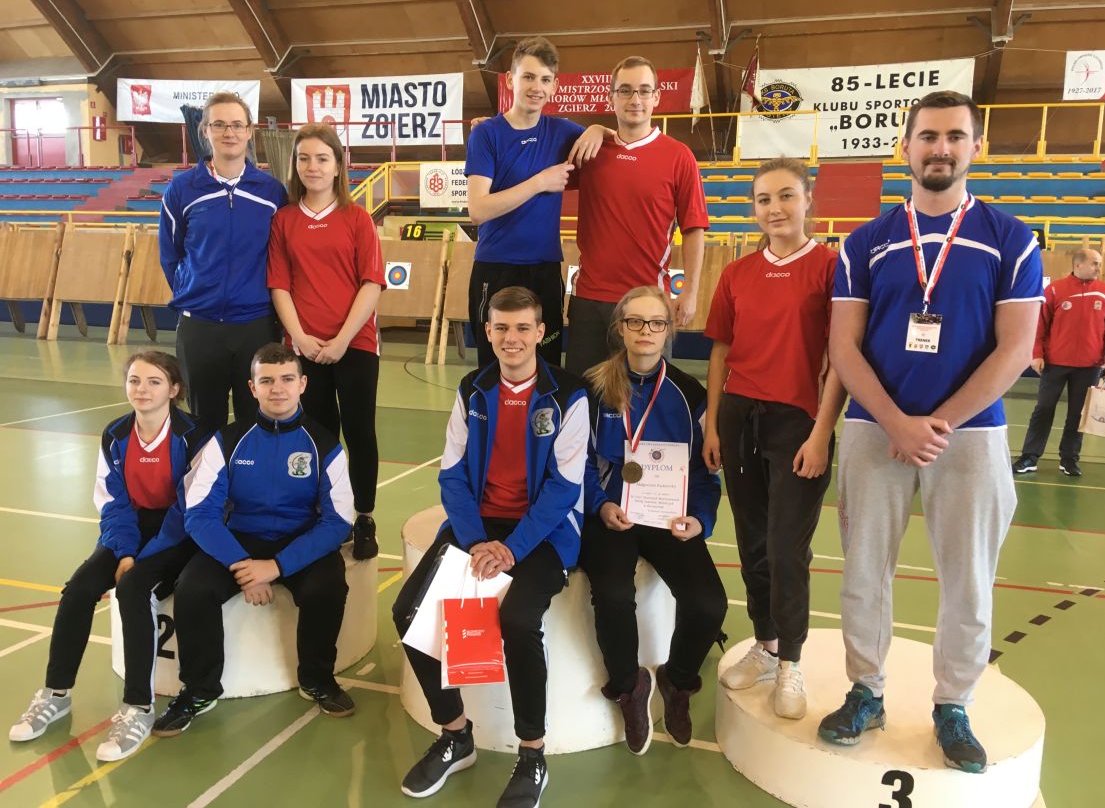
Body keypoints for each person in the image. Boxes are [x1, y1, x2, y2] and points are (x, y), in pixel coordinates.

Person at [823, 91, 1043, 773]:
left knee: (969, 579)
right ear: (905, 148)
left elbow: (1015, 349)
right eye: (927, 136)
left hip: (970, 435)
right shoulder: (865, 242)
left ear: (975, 146)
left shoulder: (1011, 238)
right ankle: (865, 691)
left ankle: (953, 703)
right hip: (873, 426)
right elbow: (842, 346)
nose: (939, 148)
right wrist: (895, 420)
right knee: (864, 572)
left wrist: (936, 424)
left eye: (953, 136)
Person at [392, 287, 588, 807]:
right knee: (408, 612)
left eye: (523, 328)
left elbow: (564, 488)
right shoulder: (472, 389)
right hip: (479, 526)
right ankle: (456, 734)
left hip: (544, 531)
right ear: (487, 332)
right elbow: (452, 475)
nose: (511, 338)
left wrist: (511, 549)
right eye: (501, 328)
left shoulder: (569, 395)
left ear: (541, 332)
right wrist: (478, 540)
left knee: (518, 620)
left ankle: (532, 753)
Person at [702, 157, 846, 719]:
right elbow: (720, 352)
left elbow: (840, 358)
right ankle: (764, 645)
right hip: (740, 417)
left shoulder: (831, 268)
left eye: (786, 196)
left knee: (788, 548)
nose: (775, 208)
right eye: (764, 199)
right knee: (753, 544)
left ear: (808, 200)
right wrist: (714, 422)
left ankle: (791, 660)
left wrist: (821, 432)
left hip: (799, 424)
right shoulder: (737, 274)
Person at [152, 343, 356, 736]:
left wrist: (276, 567)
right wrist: (242, 565)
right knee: (192, 588)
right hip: (240, 539)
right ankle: (199, 690)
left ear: (302, 384)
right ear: (252, 387)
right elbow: (199, 514)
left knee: (327, 587)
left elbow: (337, 522)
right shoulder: (227, 441)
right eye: (267, 381)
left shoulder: (325, 445)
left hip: (300, 539)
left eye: (286, 379)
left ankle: (317, 679)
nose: (277, 389)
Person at [9, 352, 204, 761]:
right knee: (78, 589)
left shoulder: (193, 436)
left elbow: (189, 508)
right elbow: (113, 502)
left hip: (178, 534)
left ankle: (138, 707)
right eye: (134, 380)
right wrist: (126, 550)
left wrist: (141, 559)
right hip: (129, 529)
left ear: (174, 389)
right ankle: (56, 693)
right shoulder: (115, 434)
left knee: (133, 588)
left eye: (154, 381)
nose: (142, 390)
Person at [580, 286, 725, 754]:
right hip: (611, 515)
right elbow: (576, 463)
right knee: (613, 594)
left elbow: (704, 472)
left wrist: (699, 519)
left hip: (668, 516)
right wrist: (600, 504)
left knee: (708, 604)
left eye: (656, 322)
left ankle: (677, 681)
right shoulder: (591, 388)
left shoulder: (690, 394)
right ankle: (629, 686)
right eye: (635, 321)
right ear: (620, 328)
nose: (646, 331)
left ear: (669, 330)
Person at [269, 123, 386, 559]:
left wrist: (341, 339)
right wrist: (300, 338)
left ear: (338, 166)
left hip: (355, 344)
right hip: (305, 349)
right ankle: (327, 515)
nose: (312, 167)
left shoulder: (357, 219)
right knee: (317, 435)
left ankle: (364, 517)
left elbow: (371, 283)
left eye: (322, 158)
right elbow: (279, 285)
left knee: (359, 431)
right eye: (304, 158)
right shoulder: (284, 220)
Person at [466, 36, 606, 368]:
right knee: (494, 368)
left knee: (547, 367)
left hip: (544, 270)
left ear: (554, 86)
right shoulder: (486, 134)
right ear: (510, 80)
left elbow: (620, 142)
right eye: (528, 77)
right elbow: (478, 210)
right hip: (496, 268)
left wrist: (599, 128)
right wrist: (539, 183)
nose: (536, 87)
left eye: (545, 79)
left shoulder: (563, 131)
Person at [565, 56, 709, 377]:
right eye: (625, 90)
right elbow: (533, 156)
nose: (635, 99)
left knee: (645, 399)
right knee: (582, 399)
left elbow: (694, 228)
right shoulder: (591, 150)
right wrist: (492, 128)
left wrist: (690, 292)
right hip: (589, 301)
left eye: (644, 91)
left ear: (656, 97)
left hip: (648, 305)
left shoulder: (679, 156)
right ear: (611, 97)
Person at [160, 91, 288, 438]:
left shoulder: (271, 192)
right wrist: (196, 293)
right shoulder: (182, 190)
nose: (229, 132)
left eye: (236, 125)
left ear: (249, 131)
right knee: (203, 427)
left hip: (256, 326)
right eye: (219, 125)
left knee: (257, 425)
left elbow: (281, 256)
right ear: (205, 130)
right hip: (200, 328)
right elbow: (170, 255)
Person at [1012, 247, 1105, 477]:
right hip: (1055, 363)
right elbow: (1039, 325)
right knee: (1044, 409)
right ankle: (1029, 457)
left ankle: (1069, 459)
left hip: (1090, 366)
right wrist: (1037, 354)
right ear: (1078, 265)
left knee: (1078, 414)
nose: (1099, 268)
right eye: (1095, 263)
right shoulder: (1055, 290)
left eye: (1099, 263)